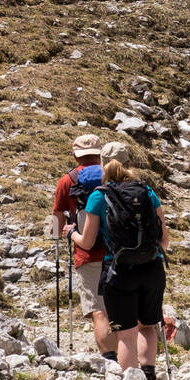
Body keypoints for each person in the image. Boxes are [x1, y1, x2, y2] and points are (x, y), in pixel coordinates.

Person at [67, 159, 169, 380]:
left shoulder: (98, 196)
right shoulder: (147, 191)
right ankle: (149, 376)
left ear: (104, 165)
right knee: (147, 327)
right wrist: (149, 257)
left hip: (119, 270)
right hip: (152, 269)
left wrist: (71, 233)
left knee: (126, 334)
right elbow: (164, 240)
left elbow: (87, 241)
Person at [52, 134, 117, 360]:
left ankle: (110, 361)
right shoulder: (112, 176)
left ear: (75, 155)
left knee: (99, 310)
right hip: (119, 251)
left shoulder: (67, 181)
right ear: (100, 154)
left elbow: (57, 217)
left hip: (86, 252)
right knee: (120, 308)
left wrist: (59, 236)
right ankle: (130, 360)